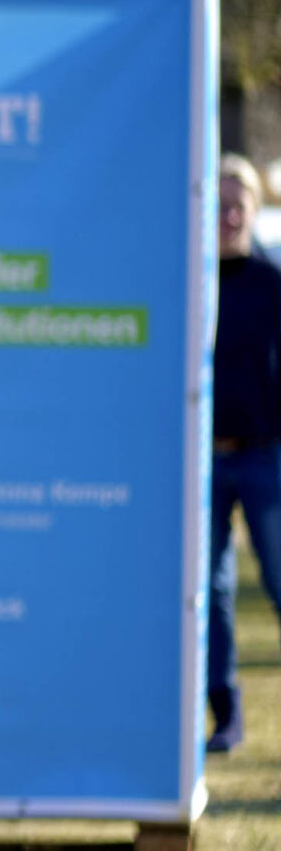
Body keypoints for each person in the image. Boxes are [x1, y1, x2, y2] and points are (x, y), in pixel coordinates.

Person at [206, 151, 281, 753]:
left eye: (240, 205)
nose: (230, 215)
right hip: (204, 461)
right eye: (221, 204)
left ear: (256, 211)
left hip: (264, 459)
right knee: (211, 593)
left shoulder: (272, 283)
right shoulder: (194, 282)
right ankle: (226, 716)